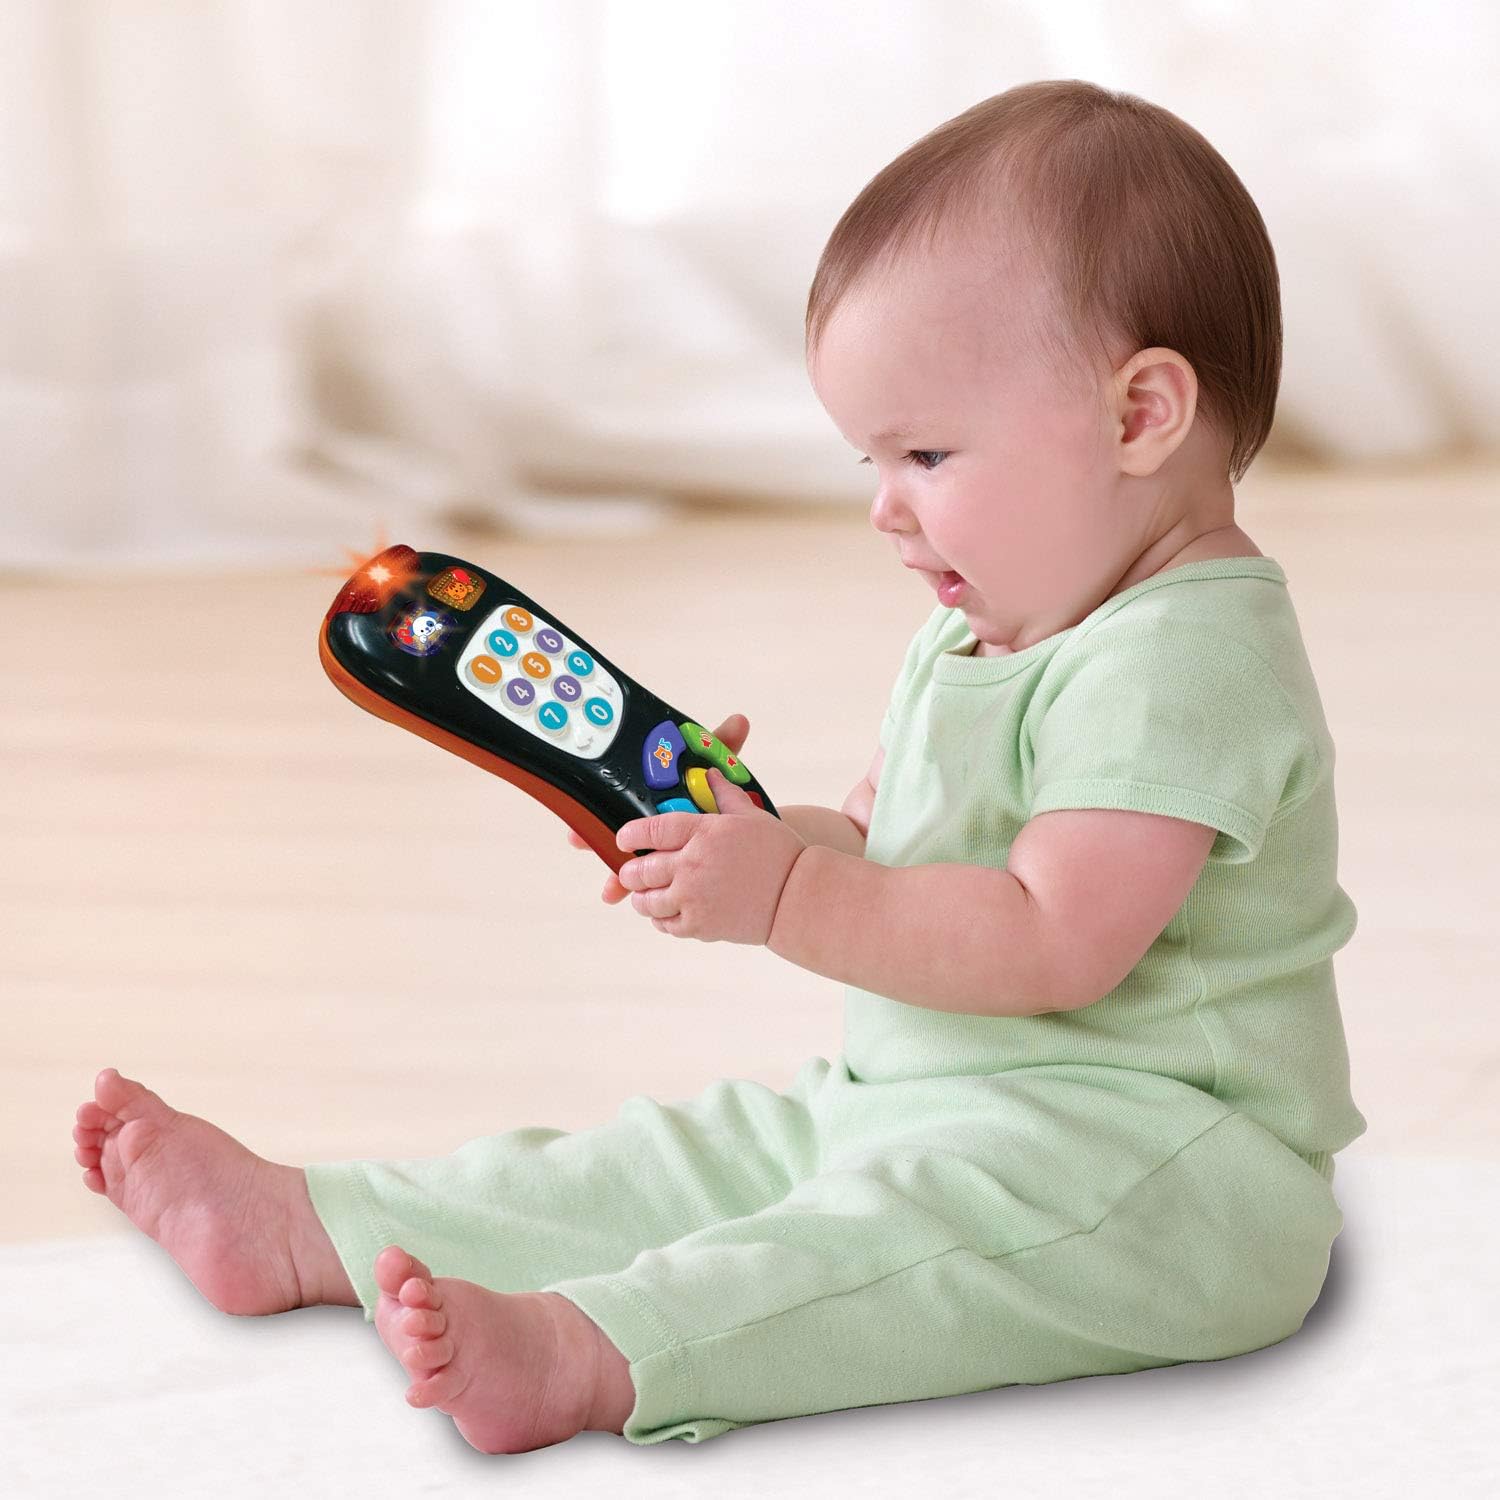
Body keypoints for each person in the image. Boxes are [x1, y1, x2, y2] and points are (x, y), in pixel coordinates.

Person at [72, 79, 1364, 1454]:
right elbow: (889, 847)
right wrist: (758, 841)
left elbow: (1053, 939)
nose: (885, 507)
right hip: (916, 1100)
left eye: (927, 453)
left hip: (1165, 1172)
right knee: (678, 1161)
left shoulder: (1183, 655)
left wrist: (787, 898)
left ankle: (594, 1350)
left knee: (876, 1242)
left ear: (1140, 415)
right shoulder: (989, 621)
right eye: (872, 459)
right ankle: (314, 1224)